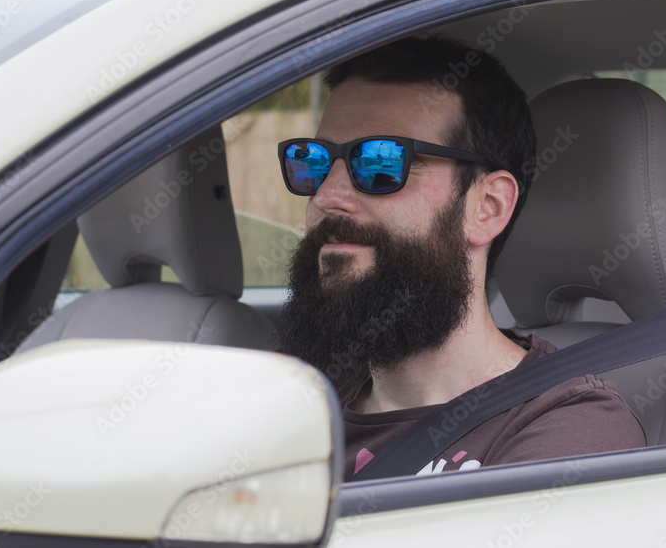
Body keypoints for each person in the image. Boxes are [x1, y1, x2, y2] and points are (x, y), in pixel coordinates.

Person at [275, 36, 644, 480]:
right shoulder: (299, 393)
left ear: (487, 207)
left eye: (381, 163)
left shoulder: (569, 425)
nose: (327, 197)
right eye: (314, 161)